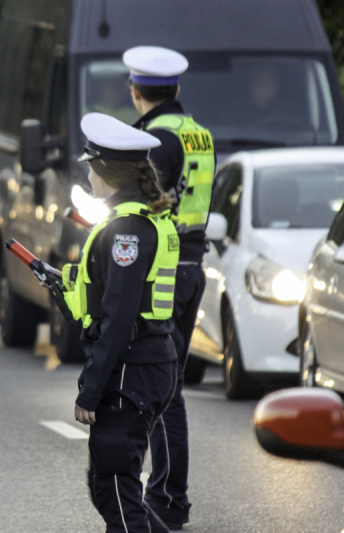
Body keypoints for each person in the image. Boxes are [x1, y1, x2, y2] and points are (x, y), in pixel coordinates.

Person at [59, 112, 180, 533]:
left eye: (90, 166)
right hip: (147, 366)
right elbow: (114, 304)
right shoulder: (140, 221)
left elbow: (120, 319)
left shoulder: (127, 230)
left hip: (132, 373)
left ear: (103, 170)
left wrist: (90, 392)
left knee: (115, 492)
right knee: (108, 488)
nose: (88, 176)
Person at [124, 45, 217, 530]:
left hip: (165, 266)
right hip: (194, 261)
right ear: (176, 89)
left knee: (164, 387)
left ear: (135, 90)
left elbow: (147, 203)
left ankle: (167, 498)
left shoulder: (157, 138)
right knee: (171, 384)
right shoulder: (198, 133)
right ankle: (170, 496)